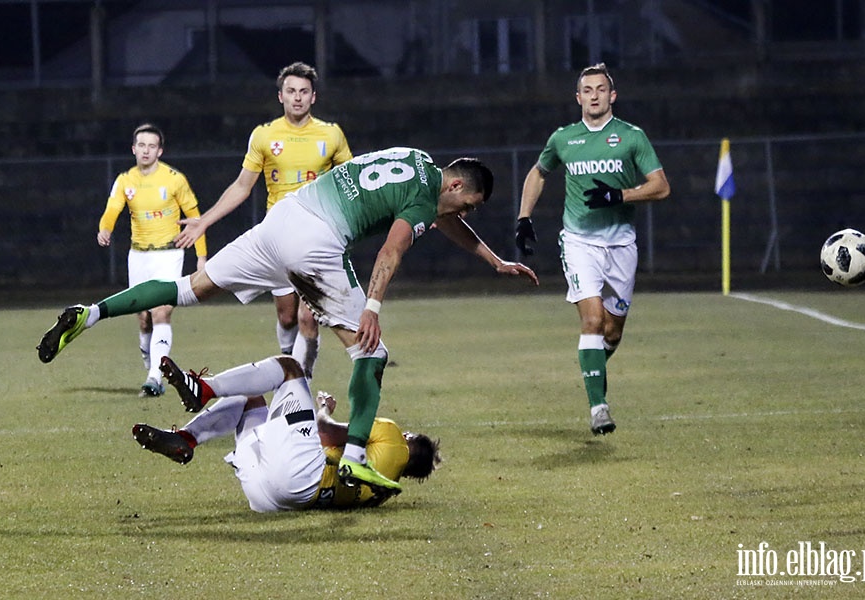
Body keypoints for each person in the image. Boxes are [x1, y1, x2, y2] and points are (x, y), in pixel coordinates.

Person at [38, 146, 538, 496]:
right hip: (317, 240)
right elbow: (393, 247)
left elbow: (443, 216)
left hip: (282, 219)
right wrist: (373, 306)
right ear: (454, 184)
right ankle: (357, 461)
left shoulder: (416, 162)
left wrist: (494, 261)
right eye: (466, 202)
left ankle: (92, 312)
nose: (460, 209)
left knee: (188, 289)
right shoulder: (428, 198)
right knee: (372, 353)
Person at [514, 63, 670, 436]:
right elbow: (539, 172)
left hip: (621, 244)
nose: (595, 95)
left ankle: (593, 365)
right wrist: (524, 217)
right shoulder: (564, 138)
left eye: (601, 89)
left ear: (612, 96)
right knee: (593, 321)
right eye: (588, 90)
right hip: (579, 241)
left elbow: (661, 187)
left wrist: (620, 194)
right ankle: (598, 407)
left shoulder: (631, 137)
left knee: (612, 333)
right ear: (578, 97)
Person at [182, 61, 352, 379]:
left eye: (304, 91)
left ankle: (299, 384)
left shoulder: (331, 135)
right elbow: (242, 186)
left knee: (307, 317)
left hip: (318, 238)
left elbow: (353, 183)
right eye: (291, 91)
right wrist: (204, 220)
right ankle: (289, 363)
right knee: (287, 318)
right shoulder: (265, 135)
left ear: (314, 97)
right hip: (278, 238)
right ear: (280, 97)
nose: (297, 97)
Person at [132, 354, 441, 511]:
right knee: (250, 395)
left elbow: (323, 432)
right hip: (269, 500)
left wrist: (325, 408)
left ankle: (203, 389)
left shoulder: (392, 435)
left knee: (289, 368)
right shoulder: (381, 494)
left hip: (300, 474)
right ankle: (185, 439)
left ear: (410, 439)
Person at [96, 123, 208, 397]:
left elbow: (195, 216)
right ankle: (151, 366)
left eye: (152, 146)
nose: (146, 151)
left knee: (161, 311)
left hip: (169, 253)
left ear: (160, 150)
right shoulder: (125, 180)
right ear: (134, 149)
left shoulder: (174, 179)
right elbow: (112, 209)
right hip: (138, 255)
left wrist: (201, 256)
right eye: (141, 146)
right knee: (144, 318)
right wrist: (105, 228)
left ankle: (155, 376)